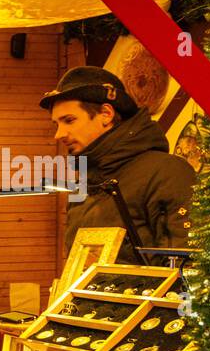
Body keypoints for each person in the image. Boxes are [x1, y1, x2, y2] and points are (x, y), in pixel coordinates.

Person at [40, 66, 195, 257]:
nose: (59, 134)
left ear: (106, 114)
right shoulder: (84, 183)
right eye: (56, 124)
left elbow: (184, 268)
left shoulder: (168, 173)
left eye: (69, 120)